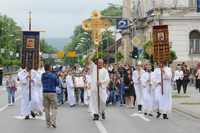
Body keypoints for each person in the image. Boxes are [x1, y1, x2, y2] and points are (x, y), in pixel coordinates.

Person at [88, 50, 110, 121]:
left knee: (103, 101)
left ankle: (102, 111)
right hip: (94, 88)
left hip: (101, 88)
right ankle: (96, 114)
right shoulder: (94, 67)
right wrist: (94, 53)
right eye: (99, 62)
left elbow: (107, 79)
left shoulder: (105, 71)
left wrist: (101, 82)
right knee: (95, 101)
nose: (100, 64)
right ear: (97, 62)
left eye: (101, 63)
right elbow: (89, 59)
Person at [42, 64, 59, 128]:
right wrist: (57, 77)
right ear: (49, 68)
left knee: (46, 108)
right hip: (52, 92)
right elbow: (57, 83)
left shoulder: (42, 76)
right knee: (54, 107)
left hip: (45, 92)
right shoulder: (53, 76)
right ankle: (53, 121)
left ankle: (48, 123)